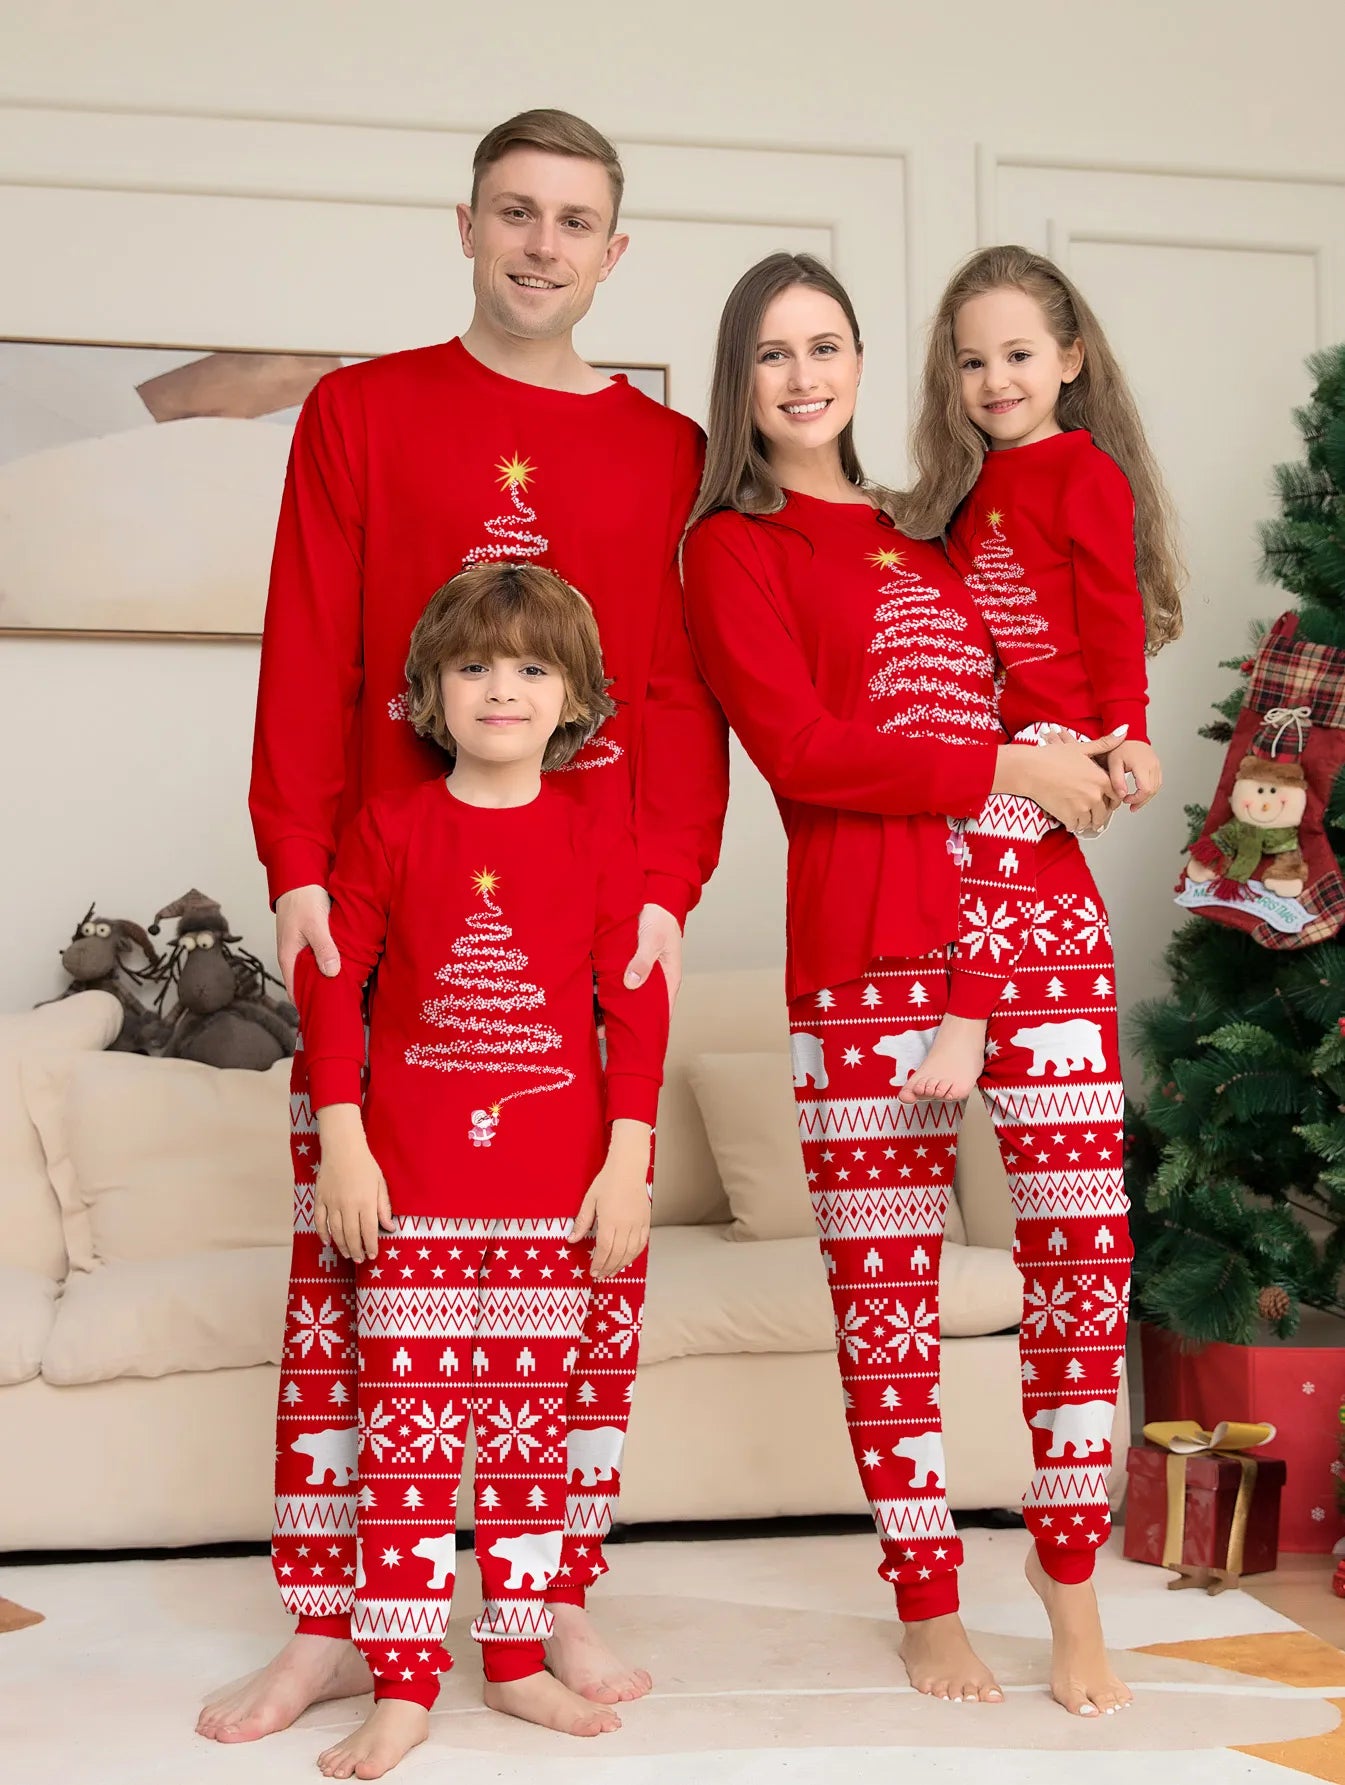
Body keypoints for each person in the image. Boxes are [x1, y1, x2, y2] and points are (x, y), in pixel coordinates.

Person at [198, 107, 727, 1747]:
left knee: (571, 1305)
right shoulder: (361, 413)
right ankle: (331, 1622)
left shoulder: (665, 453)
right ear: (467, 224)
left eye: (577, 221)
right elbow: (307, 647)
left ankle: (543, 1601)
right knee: (344, 1301)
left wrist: (666, 882)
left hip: (579, 921)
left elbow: (671, 689)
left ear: (615, 253)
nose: (544, 244)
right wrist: (295, 862)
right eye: (517, 212)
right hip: (381, 910)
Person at [681, 251, 1134, 1717]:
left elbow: (1046, 663)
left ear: (872, 364)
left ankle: (1067, 1577)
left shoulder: (930, 528)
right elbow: (805, 755)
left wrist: (1103, 744)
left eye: (827, 345)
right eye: (771, 353)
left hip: (1038, 934)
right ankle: (923, 1594)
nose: (803, 376)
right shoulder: (732, 550)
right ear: (738, 380)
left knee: (1086, 1265)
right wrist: (1009, 763)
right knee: (884, 1301)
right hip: (867, 958)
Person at [299, 562, 669, 1776]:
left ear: (572, 698)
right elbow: (335, 987)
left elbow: (635, 1001)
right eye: (472, 666)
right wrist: (343, 1144)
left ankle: (512, 1665)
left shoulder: (597, 830)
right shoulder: (391, 825)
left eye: (529, 668)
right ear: (429, 693)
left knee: (525, 1440)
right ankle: (404, 1684)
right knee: (405, 1445)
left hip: (555, 1197)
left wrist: (629, 1159)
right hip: (408, 1194)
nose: (499, 689)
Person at [892, 244, 1184, 1102]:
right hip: (991, 727)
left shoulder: (1084, 472)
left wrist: (1125, 731)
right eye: (971, 362)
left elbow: (1110, 608)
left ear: (1069, 359)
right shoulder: (966, 481)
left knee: (996, 842)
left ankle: (966, 1024)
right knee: (970, 844)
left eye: (1017, 356)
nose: (994, 381)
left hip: (1065, 727)